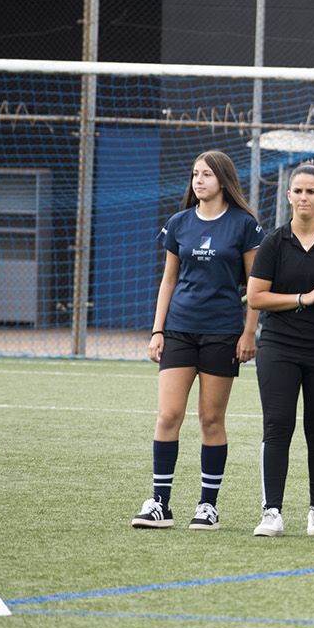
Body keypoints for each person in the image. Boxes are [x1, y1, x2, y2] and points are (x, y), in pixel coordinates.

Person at [134, 150, 262, 529]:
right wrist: (158, 330)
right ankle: (160, 502)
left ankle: (208, 505)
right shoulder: (178, 223)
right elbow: (169, 280)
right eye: (194, 175)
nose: (198, 181)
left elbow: (255, 286)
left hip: (223, 332)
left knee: (210, 419)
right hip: (179, 329)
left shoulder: (244, 225)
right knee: (168, 414)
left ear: (222, 180)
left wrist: (248, 331)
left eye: (205, 174)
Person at [246, 163, 314, 537]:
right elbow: (256, 297)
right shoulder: (274, 241)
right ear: (288, 196)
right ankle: (272, 512)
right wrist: (303, 298)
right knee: (278, 425)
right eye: (297, 191)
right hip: (278, 346)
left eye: (310, 191)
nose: (303, 197)